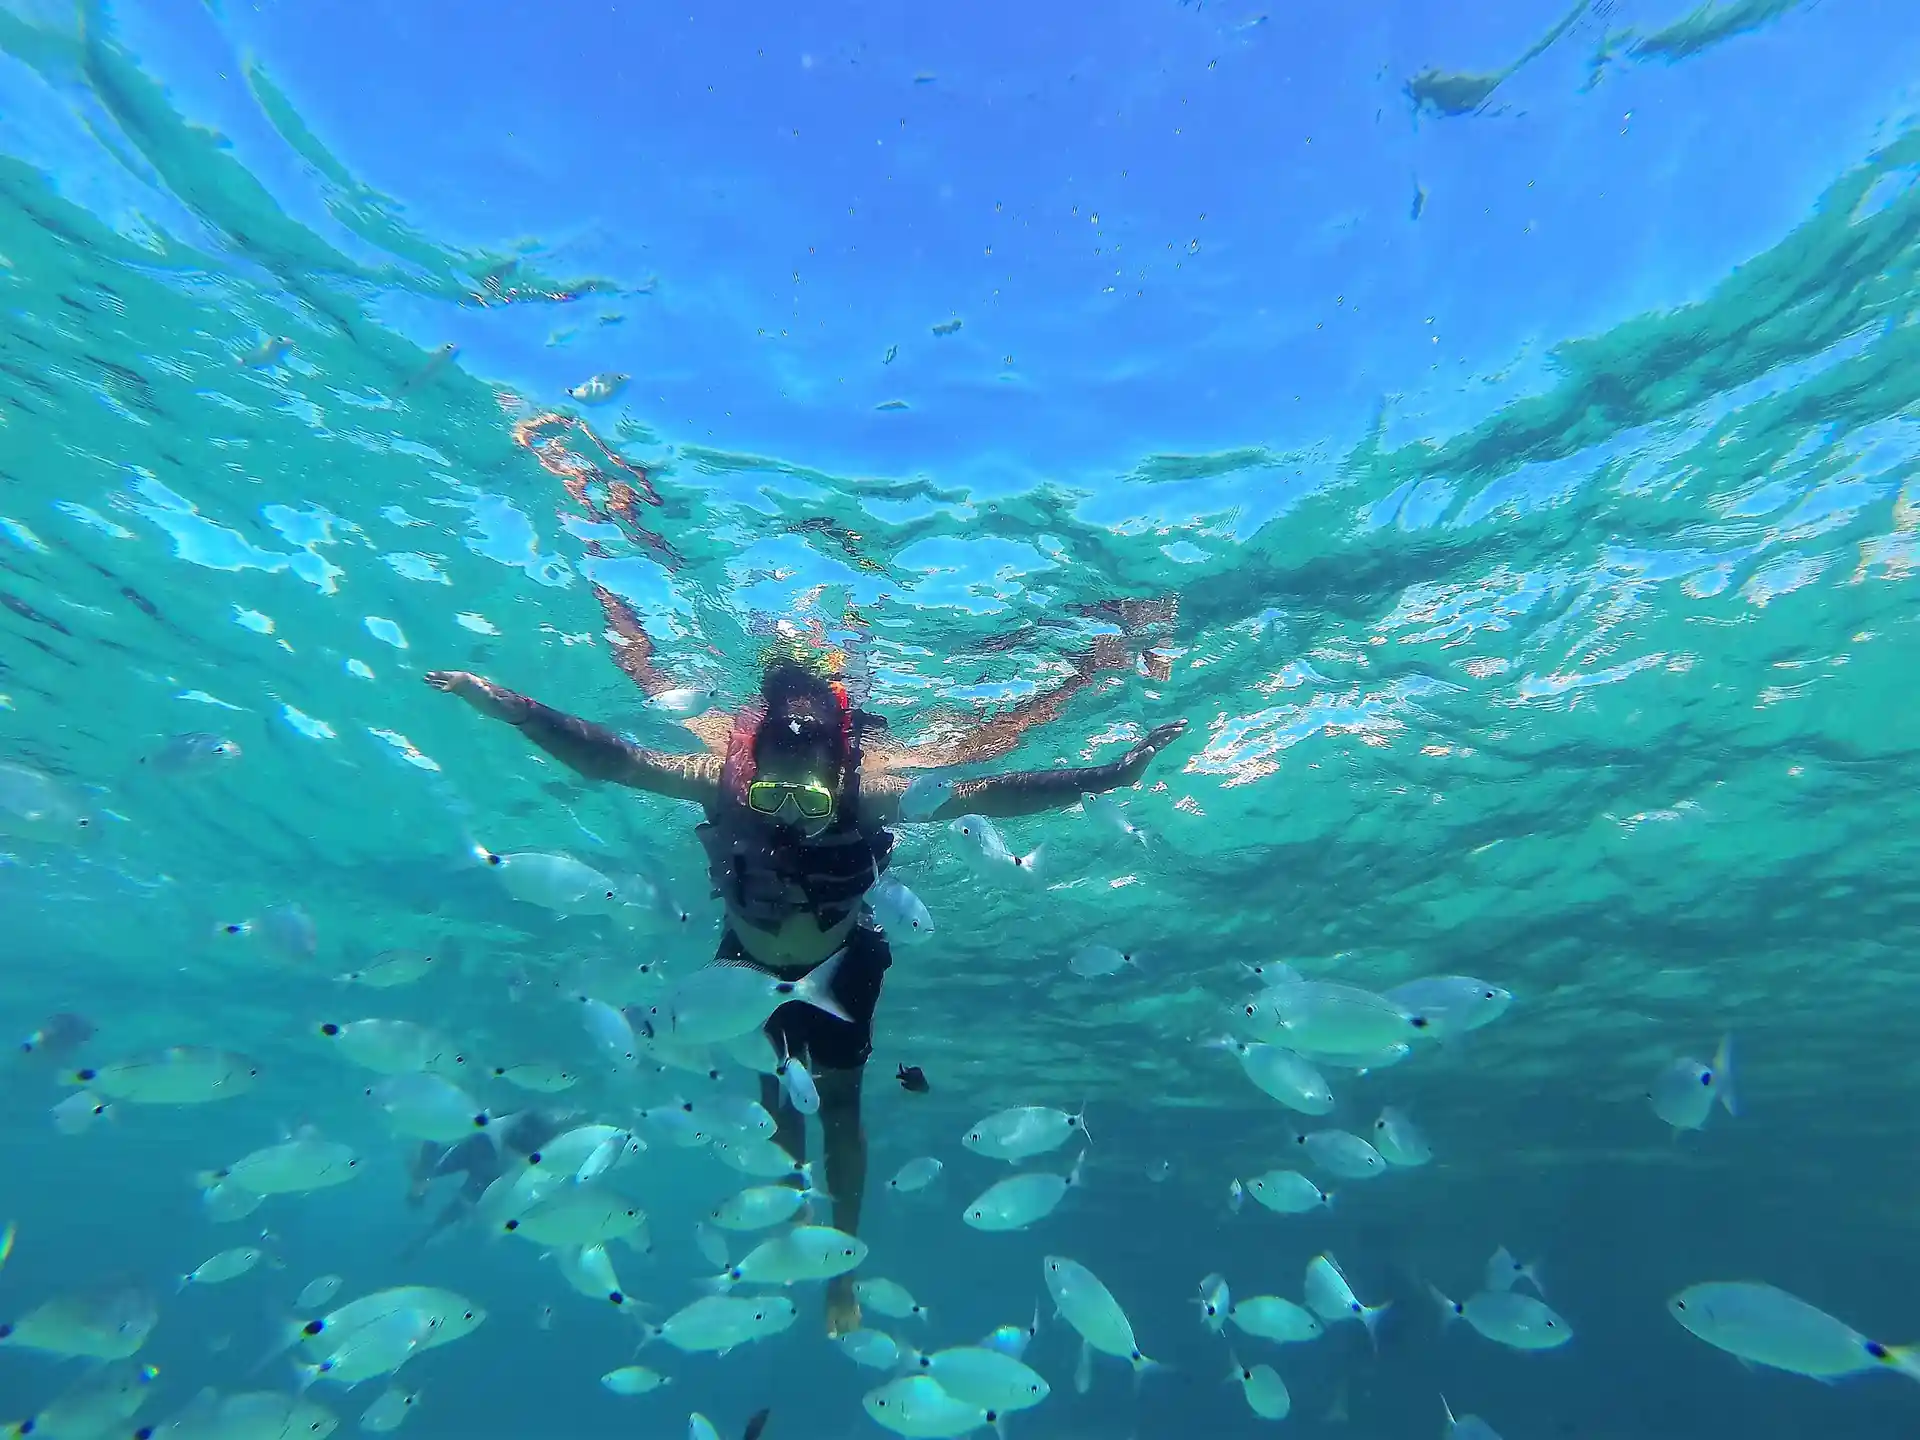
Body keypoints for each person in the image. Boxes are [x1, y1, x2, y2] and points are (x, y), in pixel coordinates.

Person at [426, 655, 1186, 1333]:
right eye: (770, 794)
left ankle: (840, 1266)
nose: (789, 813)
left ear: (837, 776)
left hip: (843, 962)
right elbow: (611, 759)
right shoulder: (716, 782)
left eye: (809, 801)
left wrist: (1106, 777)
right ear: (750, 765)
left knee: (842, 1111)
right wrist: (510, 707)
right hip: (745, 974)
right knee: (778, 1104)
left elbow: (992, 794)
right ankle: (794, 1229)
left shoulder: (872, 793)